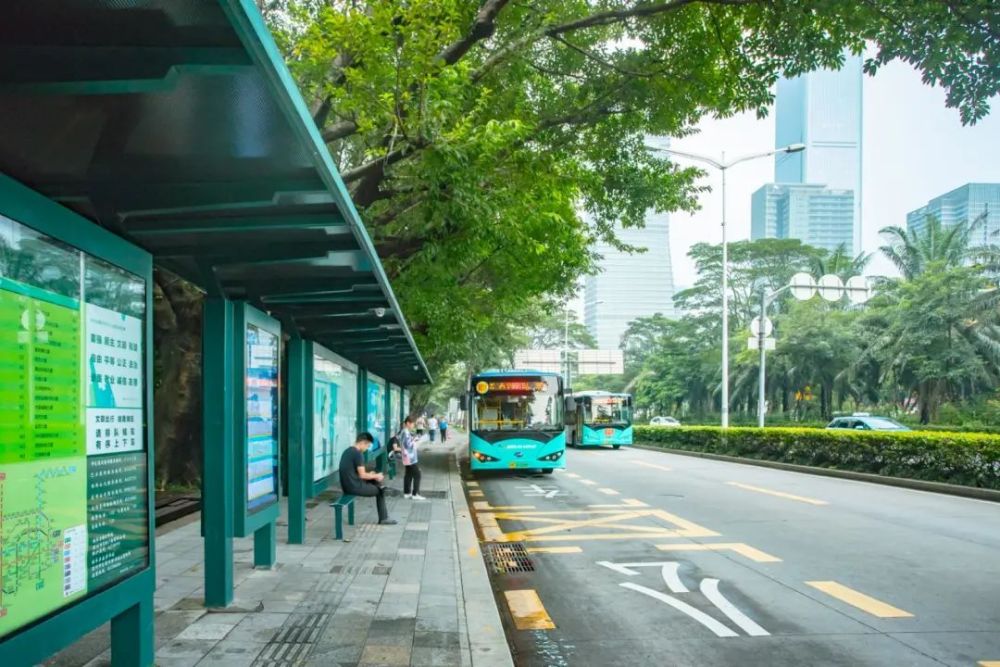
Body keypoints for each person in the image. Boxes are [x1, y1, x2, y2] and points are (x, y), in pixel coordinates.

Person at [338, 432, 396, 525]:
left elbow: (357, 473)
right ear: (362, 442)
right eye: (367, 446)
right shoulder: (358, 454)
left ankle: (383, 488)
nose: (367, 449)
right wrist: (376, 475)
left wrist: (371, 475)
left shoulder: (348, 451)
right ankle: (383, 518)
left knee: (375, 481)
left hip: (347, 485)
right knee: (380, 490)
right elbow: (362, 475)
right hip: (353, 487)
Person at [399, 416, 425, 500]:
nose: (413, 425)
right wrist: (417, 441)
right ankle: (415, 494)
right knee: (417, 474)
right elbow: (408, 445)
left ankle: (407, 493)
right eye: (412, 423)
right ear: (408, 423)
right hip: (410, 457)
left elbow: (407, 443)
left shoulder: (405, 432)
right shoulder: (405, 432)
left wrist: (414, 439)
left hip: (407, 457)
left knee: (408, 474)